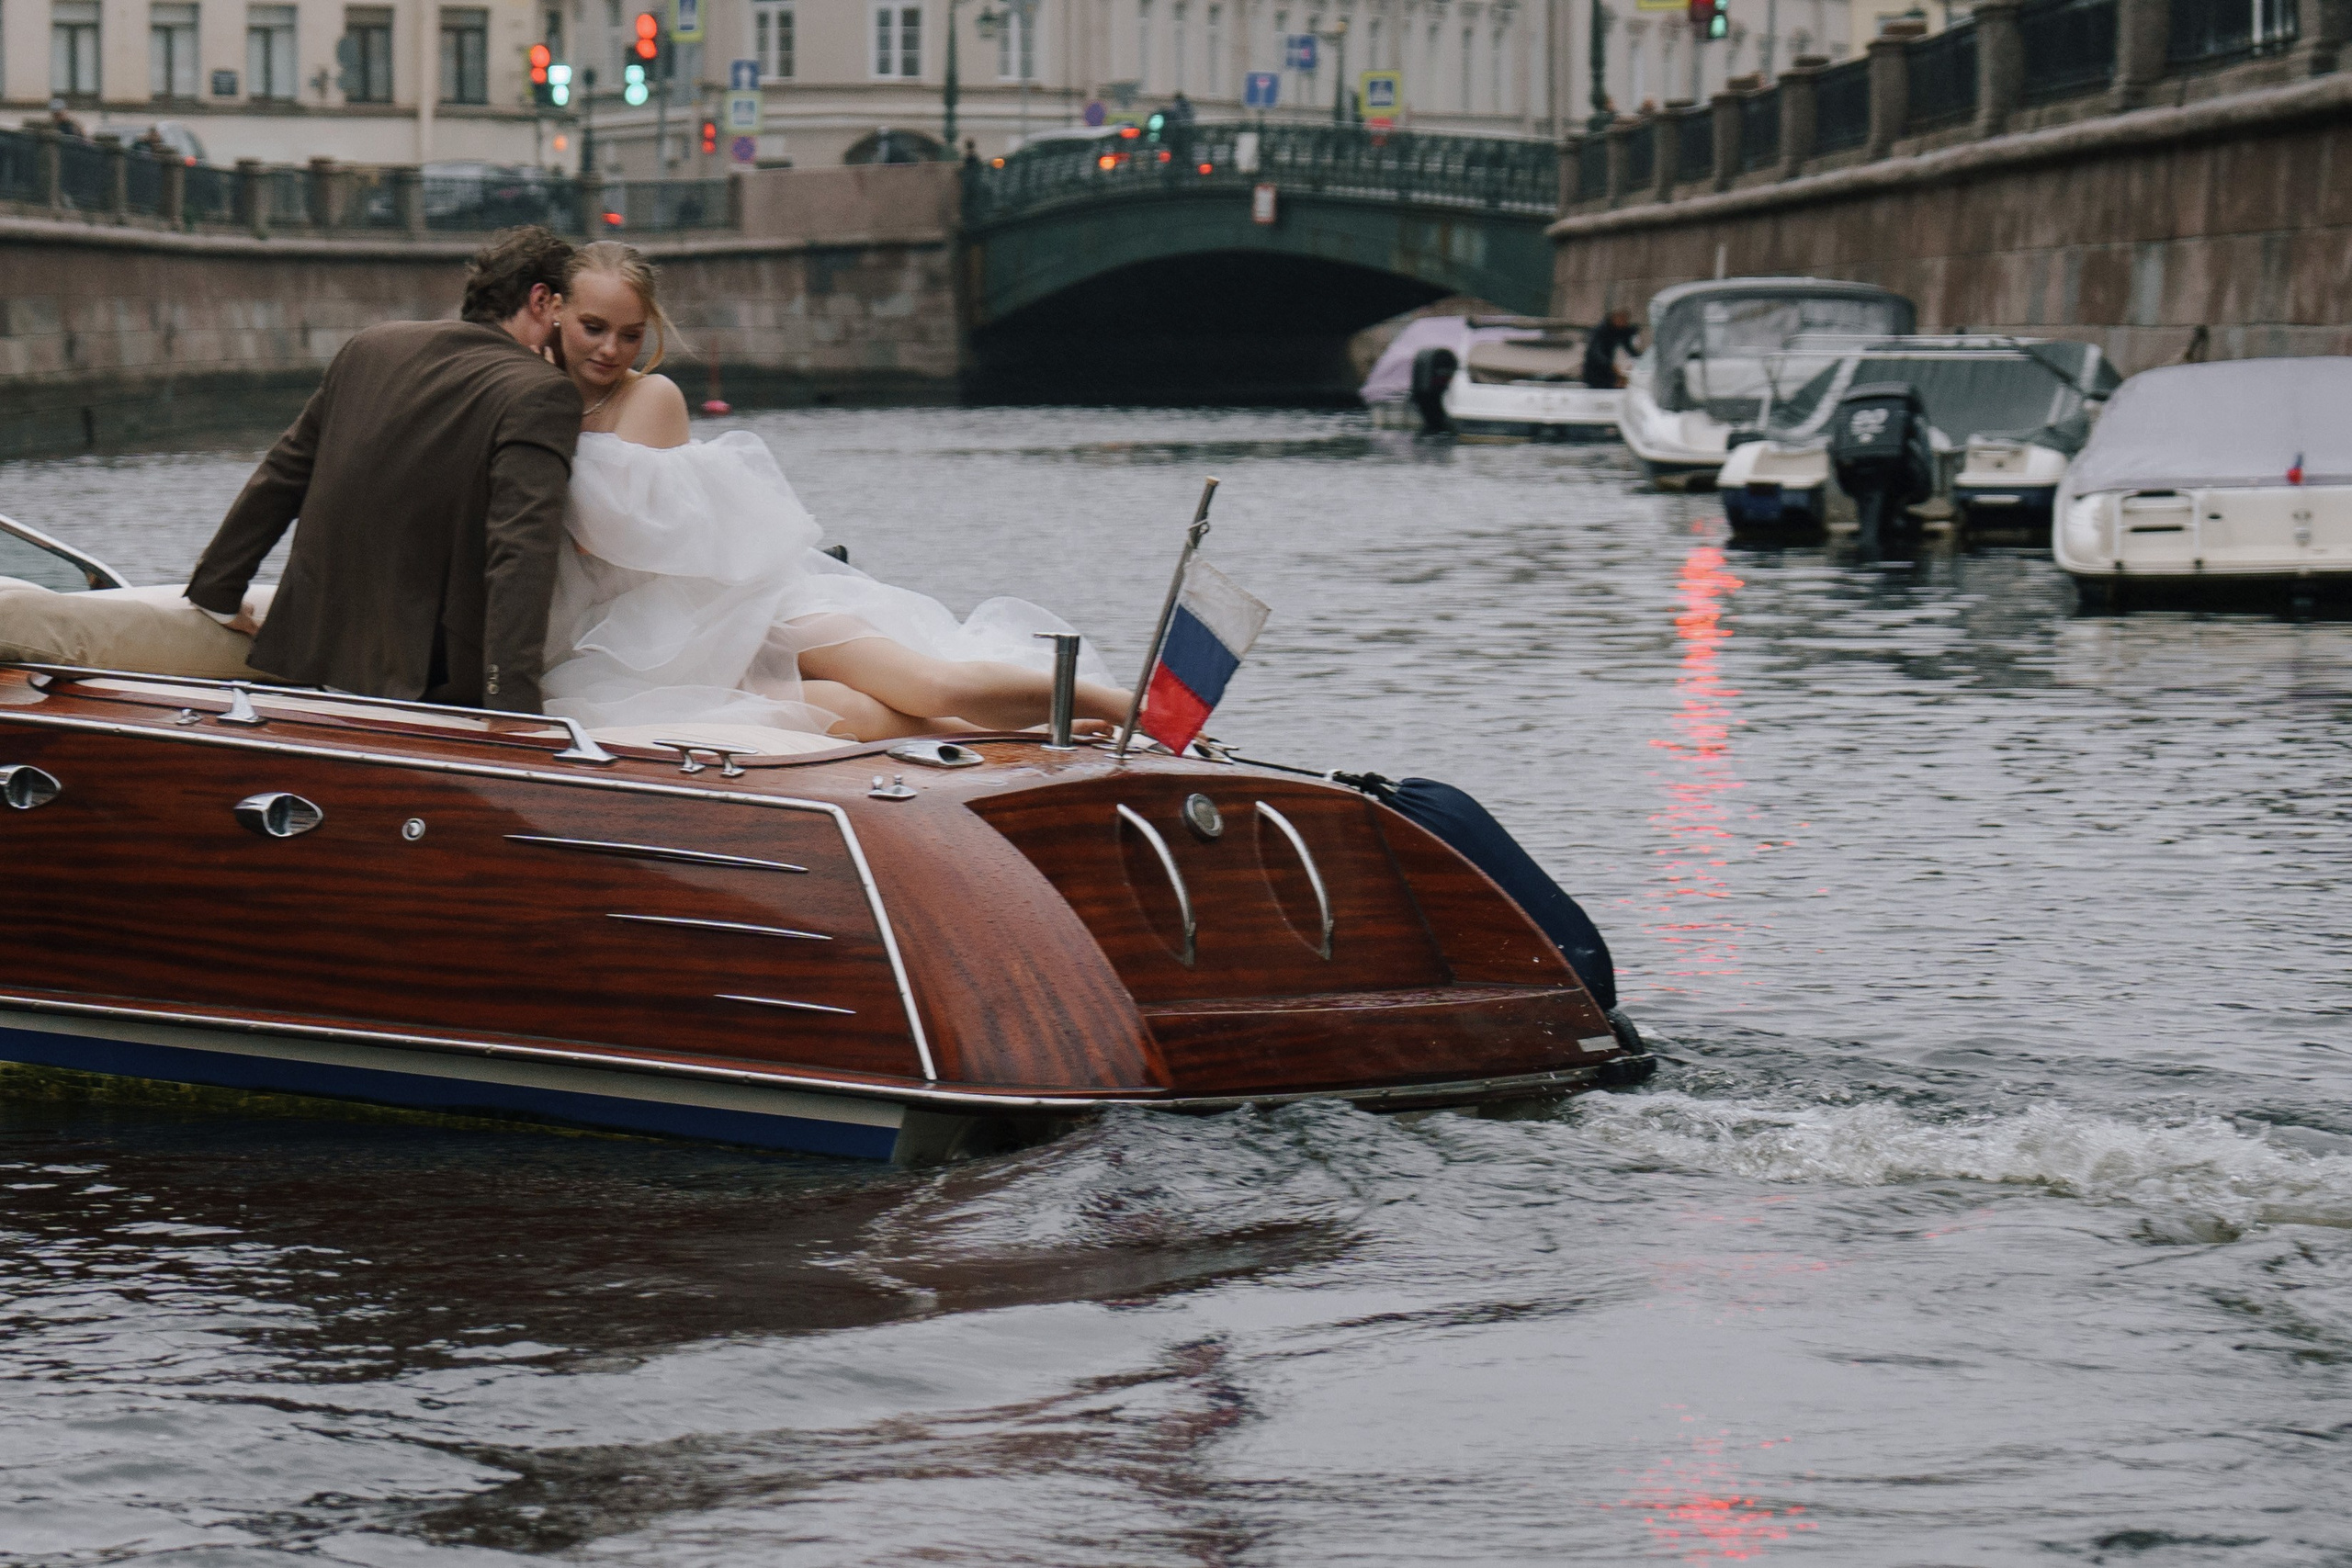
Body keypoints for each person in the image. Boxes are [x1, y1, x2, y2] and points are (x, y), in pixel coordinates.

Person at [539, 242, 1130, 742]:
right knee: (831, 713)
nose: (610, 350)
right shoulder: (531, 391)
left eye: (630, 335)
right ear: (556, 310)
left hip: (727, 604)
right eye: (595, 329)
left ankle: (1118, 705)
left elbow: (603, 535)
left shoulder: (650, 398)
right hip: (640, 642)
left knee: (927, 684)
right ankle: (1023, 733)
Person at [186, 227, 582, 713]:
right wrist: (511, 704)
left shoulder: (370, 347)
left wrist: (218, 591)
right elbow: (521, 550)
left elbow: (284, 474)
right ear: (542, 301)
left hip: (313, 656)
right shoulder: (541, 391)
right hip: (432, 682)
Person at [1583, 306, 1641, 389]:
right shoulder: (1601, 331)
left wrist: (1638, 360)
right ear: (1613, 318)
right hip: (1596, 367)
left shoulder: (1621, 331)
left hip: (1608, 364)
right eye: (1620, 319)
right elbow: (1595, 352)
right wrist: (1610, 365)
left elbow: (1629, 348)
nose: (1623, 323)